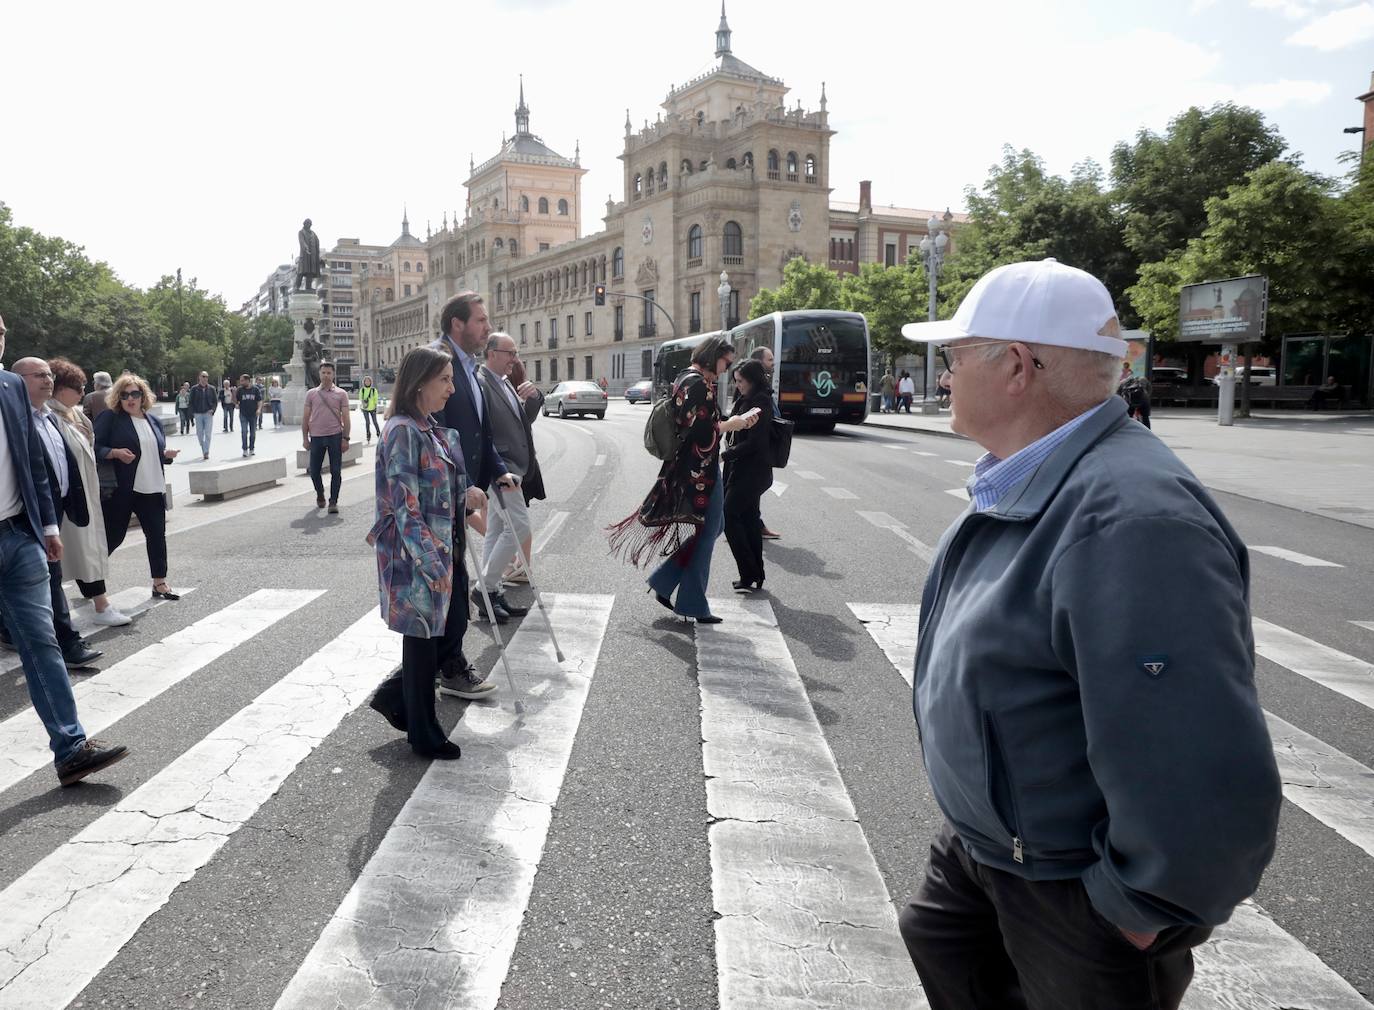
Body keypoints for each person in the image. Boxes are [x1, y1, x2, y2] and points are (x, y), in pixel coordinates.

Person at [895, 259, 1280, 1010]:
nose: (944, 374)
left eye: (956, 355)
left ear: (1016, 366)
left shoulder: (1131, 520)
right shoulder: (1040, 475)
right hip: (999, 850)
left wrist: (1140, 910)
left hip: (1066, 884)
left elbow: (1197, 758)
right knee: (937, 940)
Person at [0, 333, 128, 785]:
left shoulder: (12, 391)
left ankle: (71, 749)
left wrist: (49, 529)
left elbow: (30, 460)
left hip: (18, 536)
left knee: (43, 645)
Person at [366, 347, 493, 758]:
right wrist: (430, 561)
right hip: (414, 556)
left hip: (443, 547)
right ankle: (424, 733)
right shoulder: (402, 430)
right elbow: (405, 505)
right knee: (422, 641)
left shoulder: (431, 429)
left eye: (453, 380)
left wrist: (465, 493)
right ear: (420, 382)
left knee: (447, 628)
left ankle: (393, 696)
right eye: (445, 381)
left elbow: (436, 488)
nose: (452, 389)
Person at [608, 336, 758, 623]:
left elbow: (700, 420)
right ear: (714, 357)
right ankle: (691, 602)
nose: (727, 369)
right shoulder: (698, 384)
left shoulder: (686, 378)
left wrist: (732, 420)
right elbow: (702, 431)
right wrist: (734, 424)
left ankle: (665, 582)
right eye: (726, 362)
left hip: (693, 468)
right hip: (698, 471)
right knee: (709, 530)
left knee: (712, 529)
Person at [427, 292, 517, 699]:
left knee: (453, 584)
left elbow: (479, 432)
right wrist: (460, 488)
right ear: (456, 324)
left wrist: (498, 471)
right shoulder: (437, 363)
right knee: (452, 586)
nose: (486, 325)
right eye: (480, 320)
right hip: (445, 495)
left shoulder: (473, 369)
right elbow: (435, 434)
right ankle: (448, 668)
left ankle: (439, 667)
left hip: (467, 491)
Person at [4, 358, 105, 667]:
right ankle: (67, 641)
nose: (48, 381)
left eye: (49, 375)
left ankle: (17, 631)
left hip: (54, 511)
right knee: (49, 579)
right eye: (38, 376)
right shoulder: (15, 421)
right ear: (15, 381)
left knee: (50, 577)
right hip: (24, 517)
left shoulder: (50, 418)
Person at [46, 358, 131, 627]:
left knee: (86, 550)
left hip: (83, 495)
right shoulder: (48, 415)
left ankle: (99, 603)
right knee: (68, 555)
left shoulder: (75, 414)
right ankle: (96, 605)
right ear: (60, 389)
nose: (83, 393)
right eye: (77, 387)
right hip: (65, 499)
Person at [94, 373, 181, 602]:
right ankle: (90, 578)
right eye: (124, 395)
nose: (130, 398)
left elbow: (150, 452)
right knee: (114, 537)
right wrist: (114, 453)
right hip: (123, 489)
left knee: (156, 536)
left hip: (152, 487)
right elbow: (93, 447)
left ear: (143, 396)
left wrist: (165, 455)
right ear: (118, 398)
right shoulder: (111, 418)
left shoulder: (153, 421)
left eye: (135, 393)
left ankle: (159, 582)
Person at [476, 332, 544, 624]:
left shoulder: (504, 383)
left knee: (495, 529)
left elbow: (522, 424)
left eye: (516, 353)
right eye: (510, 353)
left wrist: (534, 398)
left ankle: (491, 593)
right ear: (491, 353)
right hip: (501, 469)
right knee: (518, 526)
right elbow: (483, 430)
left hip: (514, 468)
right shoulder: (481, 384)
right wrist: (498, 469)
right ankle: (485, 587)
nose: (515, 359)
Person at [721, 358, 773, 594]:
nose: (738, 385)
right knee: (750, 520)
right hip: (742, 470)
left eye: (741, 381)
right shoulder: (745, 398)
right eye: (736, 381)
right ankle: (755, 573)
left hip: (753, 471)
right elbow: (734, 426)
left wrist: (725, 455)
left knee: (730, 517)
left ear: (752, 380)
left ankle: (748, 572)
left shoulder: (761, 401)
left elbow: (756, 443)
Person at [301, 362, 351, 514]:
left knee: (336, 471)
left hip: (335, 436)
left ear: (333, 374)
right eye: (323, 373)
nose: (326, 376)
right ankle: (320, 493)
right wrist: (305, 438)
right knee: (314, 471)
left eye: (329, 373)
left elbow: (346, 418)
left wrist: (346, 438)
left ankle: (333, 501)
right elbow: (305, 417)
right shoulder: (311, 394)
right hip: (316, 436)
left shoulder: (341, 394)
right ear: (319, 374)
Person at [748, 345, 781, 540]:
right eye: (769, 360)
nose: (773, 363)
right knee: (759, 483)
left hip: (761, 446)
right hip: (756, 448)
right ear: (759, 363)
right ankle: (748, 523)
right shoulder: (755, 388)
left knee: (757, 485)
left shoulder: (762, 385)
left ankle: (753, 522)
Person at [188, 371, 217, 460]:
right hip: (198, 414)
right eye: (203, 376)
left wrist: (212, 410)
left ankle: (206, 452)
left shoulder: (211, 388)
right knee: (199, 433)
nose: (205, 378)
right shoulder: (194, 389)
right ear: (199, 377)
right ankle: (204, 448)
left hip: (208, 414)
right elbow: (191, 402)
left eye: (207, 377)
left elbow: (215, 401)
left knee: (208, 433)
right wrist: (192, 413)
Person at [235, 373, 264, 457]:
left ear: (248, 380)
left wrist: (259, 409)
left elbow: (260, 400)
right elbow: (236, 400)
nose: (241, 382)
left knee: (253, 433)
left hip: (253, 414)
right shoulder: (240, 390)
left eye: (242, 380)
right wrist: (236, 404)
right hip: (243, 414)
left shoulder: (255, 389)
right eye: (240, 381)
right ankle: (244, 449)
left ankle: (251, 449)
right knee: (244, 432)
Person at [1117, 361, 1152, 428]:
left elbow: (1119, 394)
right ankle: (1148, 432)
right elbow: (1149, 391)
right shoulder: (1143, 379)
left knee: (1128, 417)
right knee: (1145, 417)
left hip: (1129, 401)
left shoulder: (1124, 382)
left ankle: (1128, 430)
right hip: (1144, 400)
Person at [359, 375, 381, 444]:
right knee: (367, 422)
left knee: (375, 422)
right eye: (366, 381)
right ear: (364, 382)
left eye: (368, 381)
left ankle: (378, 433)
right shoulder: (362, 390)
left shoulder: (374, 390)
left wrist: (375, 406)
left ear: (370, 382)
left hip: (373, 408)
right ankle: (368, 435)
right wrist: (363, 404)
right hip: (365, 408)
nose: (367, 382)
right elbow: (360, 398)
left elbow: (376, 398)